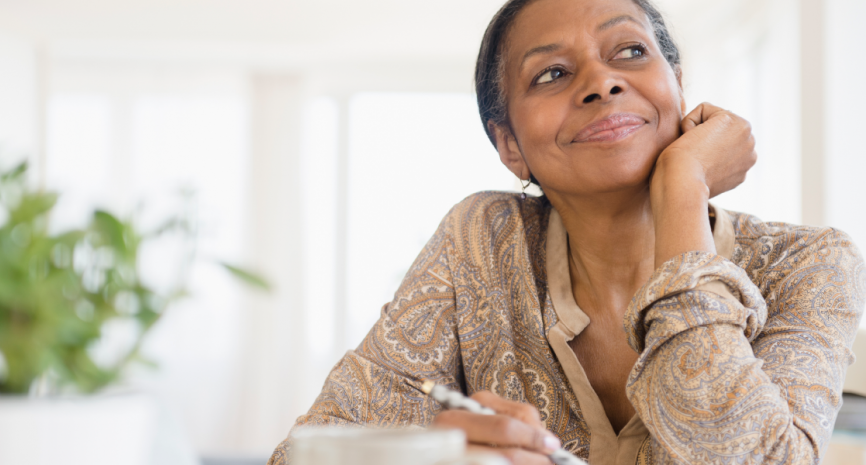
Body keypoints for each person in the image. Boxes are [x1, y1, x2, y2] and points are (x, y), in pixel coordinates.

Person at [268, 0, 865, 463]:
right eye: (551, 73)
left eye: (630, 52)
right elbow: (305, 453)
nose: (601, 82)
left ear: (677, 86)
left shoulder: (807, 262)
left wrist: (684, 185)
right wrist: (429, 454)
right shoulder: (479, 241)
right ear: (509, 146)